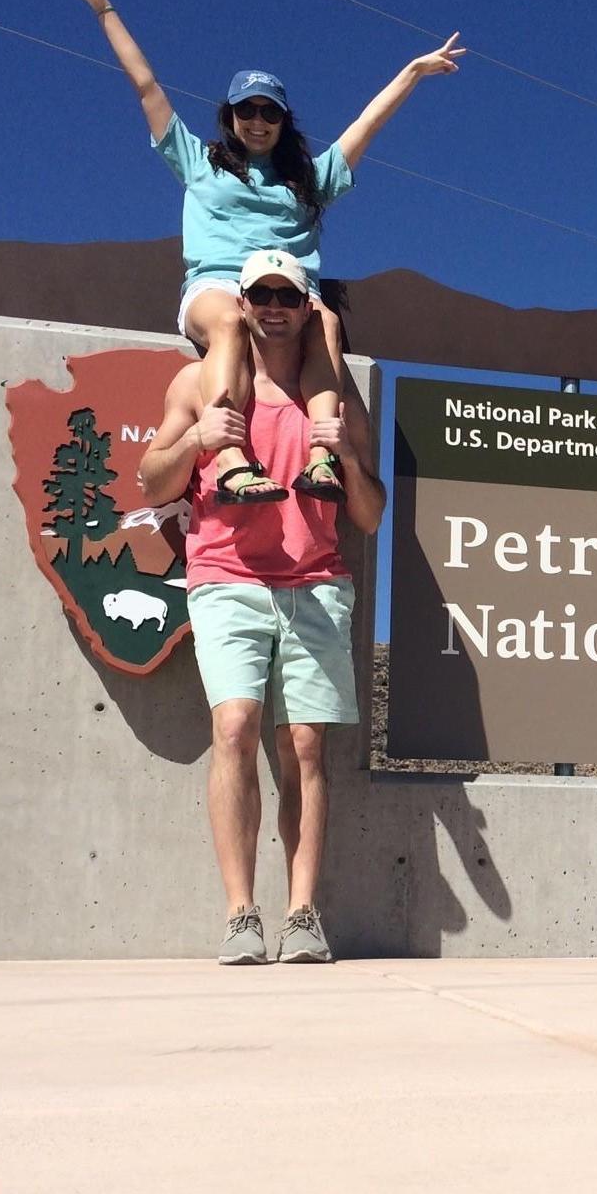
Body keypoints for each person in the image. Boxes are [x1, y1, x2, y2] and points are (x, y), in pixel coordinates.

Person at [65, 0, 462, 504]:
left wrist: (413, 72)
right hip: (219, 284)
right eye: (247, 110)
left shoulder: (309, 180)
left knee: (326, 323)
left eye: (269, 112)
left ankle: (321, 458)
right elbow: (148, 86)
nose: (258, 121)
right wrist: (102, 5)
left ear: (282, 121)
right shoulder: (199, 162)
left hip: (291, 292)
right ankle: (231, 460)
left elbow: (363, 128)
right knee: (227, 322)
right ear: (230, 117)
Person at [140, 249, 387, 963]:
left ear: (306, 307)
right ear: (241, 304)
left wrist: (343, 457)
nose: (273, 305)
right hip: (226, 577)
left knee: (306, 744)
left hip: (315, 581)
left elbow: (368, 514)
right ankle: (240, 913)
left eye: (287, 294)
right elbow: (152, 481)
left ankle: (303, 912)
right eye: (261, 294)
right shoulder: (199, 382)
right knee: (235, 726)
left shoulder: (335, 399)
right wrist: (194, 440)